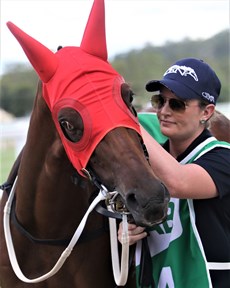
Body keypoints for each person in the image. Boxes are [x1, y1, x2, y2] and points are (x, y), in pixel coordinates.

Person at [118, 58, 230, 288]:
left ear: (206, 112)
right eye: (160, 100)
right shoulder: (150, 163)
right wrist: (124, 234)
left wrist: (123, 122)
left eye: (177, 104)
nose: (163, 111)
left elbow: (177, 182)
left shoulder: (223, 157)